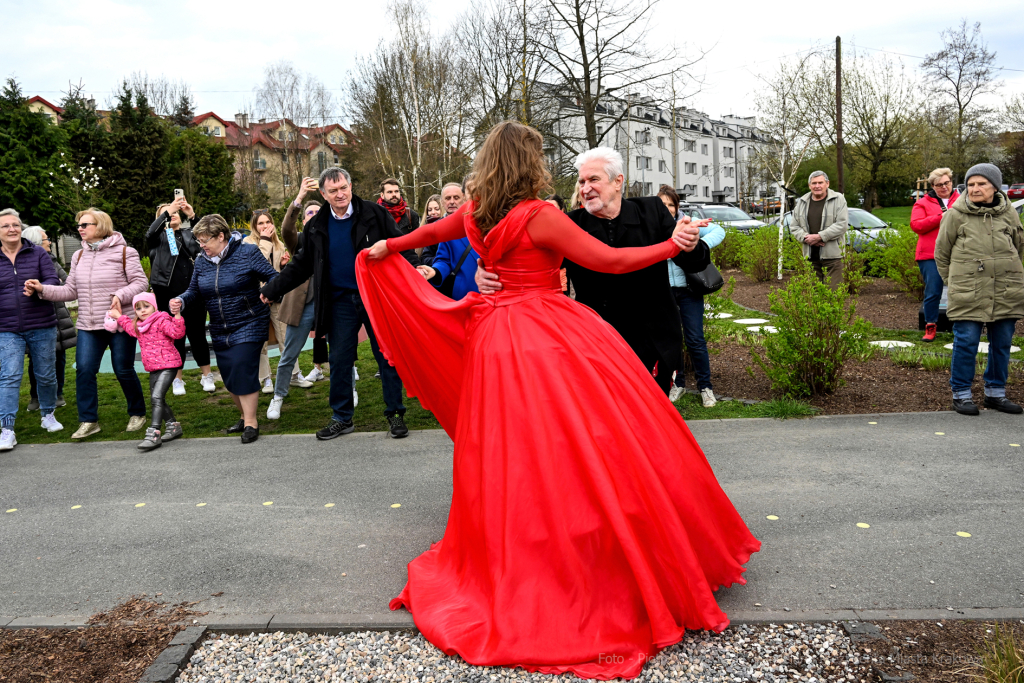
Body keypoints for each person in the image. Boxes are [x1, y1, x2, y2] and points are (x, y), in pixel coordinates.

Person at [356, 120, 759, 680]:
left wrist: (386, 245)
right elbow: (608, 261)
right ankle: (590, 553)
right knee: (594, 438)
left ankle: (519, 551)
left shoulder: (476, 213)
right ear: (528, 162)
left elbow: (425, 236)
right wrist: (673, 244)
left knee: (514, 452)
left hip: (497, 341)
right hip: (548, 336)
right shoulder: (539, 214)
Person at [477, 147, 712, 395]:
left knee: (649, 422)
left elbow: (696, 263)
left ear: (618, 181)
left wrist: (691, 243)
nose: (585, 188)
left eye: (593, 180)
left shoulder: (652, 210)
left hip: (653, 340)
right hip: (596, 343)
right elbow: (534, 264)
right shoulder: (570, 223)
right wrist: (486, 271)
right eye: (581, 181)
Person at [259, 167, 421, 440]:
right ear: (323, 194)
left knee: (387, 356)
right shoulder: (316, 226)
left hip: (376, 296)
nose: (340, 194)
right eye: (332, 191)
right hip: (339, 302)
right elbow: (300, 265)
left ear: (350, 186)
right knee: (339, 359)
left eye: (343, 187)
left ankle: (395, 414)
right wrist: (273, 289)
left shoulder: (374, 214)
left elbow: (400, 245)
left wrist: (417, 268)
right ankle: (342, 418)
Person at [27, 208, 149, 440]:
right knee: (84, 370)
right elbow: (70, 290)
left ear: (101, 226)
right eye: (79, 226)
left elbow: (140, 282)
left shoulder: (125, 252)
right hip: (88, 324)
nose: (80, 229)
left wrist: (120, 294)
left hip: (118, 323)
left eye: (85, 225)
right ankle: (89, 421)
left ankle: (137, 413)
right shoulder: (79, 256)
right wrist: (42, 289)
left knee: (123, 369)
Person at [171, 215, 279, 443]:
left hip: (250, 321)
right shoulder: (201, 260)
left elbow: (274, 278)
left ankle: (251, 422)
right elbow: (194, 291)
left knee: (242, 366)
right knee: (228, 372)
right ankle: (243, 416)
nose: (201, 246)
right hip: (220, 326)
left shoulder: (247, 253)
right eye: (198, 241)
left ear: (221, 236)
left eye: (204, 240)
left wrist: (269, 292)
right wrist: (181, 299)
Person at [934, 163, 1024, 416]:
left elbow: (1018, 247)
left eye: (981, 184)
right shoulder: (955, 214)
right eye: (971, 184)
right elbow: (941, 254)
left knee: (1002, 342)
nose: (975, 188)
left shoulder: (1009, 213)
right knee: (966, 342)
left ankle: (995, 393)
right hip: (968, 290)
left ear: (995, 187)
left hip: (1005, 289)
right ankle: (961, 394)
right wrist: (955, 282)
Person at [267, 180, 336, 421]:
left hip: (330, 302)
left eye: (318, 212)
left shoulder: (333, 237)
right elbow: (286, 229)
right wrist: (298, 200)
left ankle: (349, 389)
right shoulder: (298, 240)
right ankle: (278, 397)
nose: (313, 216)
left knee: (341, 350)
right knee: (289, 354)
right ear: (304, 220)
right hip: (302, 305)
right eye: (309, 213)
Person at [0, 209, 63, 451]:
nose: (12, 229)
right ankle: (7, 429)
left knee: (46, 373)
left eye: (15, 224)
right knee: (9, 375)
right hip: (6, 327)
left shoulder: (37, 252)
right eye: (6, 226)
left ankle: (48, 415)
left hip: (41, 322)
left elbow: (53, 280)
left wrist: (39, 287)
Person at [658, 186, 725, 408]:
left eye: (670, 204)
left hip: (689, 291)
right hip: (664, 292)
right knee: (673, 340)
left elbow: (719, 231)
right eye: (662, 203)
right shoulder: (653, 225)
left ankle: (705, 388)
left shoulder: (688, 223)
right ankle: (678, 384)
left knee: (695, 340)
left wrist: (699, 245)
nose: (666, 208)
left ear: (677, 206)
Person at [148, 197, 216, 394]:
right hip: (167, 294)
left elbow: (206, 236)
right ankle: (178, 379)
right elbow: (151, 232)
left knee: (197, 335)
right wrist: (167, 214)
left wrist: (192, 215)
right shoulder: (157, 239)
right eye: (167, 213)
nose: (172, 214)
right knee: (174, 338)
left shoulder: (189, 234)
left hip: (193, 293)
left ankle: (206, 375)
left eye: (175, 212)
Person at [106, 292, 186, 450]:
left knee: (156, 397)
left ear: (154, 306)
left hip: (169, 365)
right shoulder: (139, 326)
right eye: (138, 308)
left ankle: (154, 433)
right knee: (158, 399)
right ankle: (173, 426)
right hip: (153, 367)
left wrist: (177, 316)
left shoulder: (161, 320)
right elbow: (128, 327)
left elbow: (177, 333)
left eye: (146, 306)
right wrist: (118, 315)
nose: (142, 310)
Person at [243, 210, 301, 395]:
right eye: (260, 223)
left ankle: (294, 374)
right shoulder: (247, 244)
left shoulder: (279, 244)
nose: (264, 226)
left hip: (276, 297)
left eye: (267, 222)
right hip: (256, 298)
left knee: (286, 336)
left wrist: (283, 266)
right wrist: (265, 240)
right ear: (254, 226)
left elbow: (275, 272)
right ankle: (265, 378)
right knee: (261, 341)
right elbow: (255, 264)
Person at [21, 226, 74, 410]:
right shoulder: (23, 261)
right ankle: (36, 397)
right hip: (35, 317)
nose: (49, 242)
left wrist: (49, 287)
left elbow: (66, 282)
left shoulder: (52, 260)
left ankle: (57, 394)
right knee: (36, 358)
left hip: (57, 317)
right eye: (46, 239)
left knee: (58, 356)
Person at [911, 167, 960, 342]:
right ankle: (930, 326)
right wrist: (942, 216)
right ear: (932, 186)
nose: (944, 187)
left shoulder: (962, 200)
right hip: (929, 255)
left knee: (960, 290)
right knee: (933, 291)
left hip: (958, 254)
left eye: (947, 183)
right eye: (939, 184)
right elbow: (916, 225)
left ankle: (960, 326)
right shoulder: (922, 203)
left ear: (951, 182)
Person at [789, 170, 848, 289]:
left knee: (834, 295)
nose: (817, 186)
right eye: (814, 183)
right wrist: (807, 238)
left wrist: (819, 237)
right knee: (815, 298)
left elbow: (841, 224)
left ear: (827, 184)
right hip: (810, 257)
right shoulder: (802, 202)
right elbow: (794, 227)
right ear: (809, 185)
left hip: (833, 258)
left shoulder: (838, 199)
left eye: (820, 182)